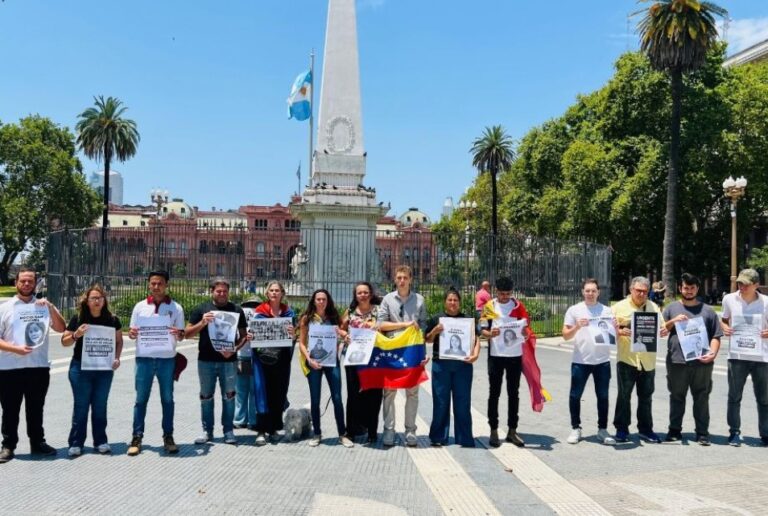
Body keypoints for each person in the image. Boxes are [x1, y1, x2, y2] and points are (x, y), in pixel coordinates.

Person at [0, 266, 66, 464]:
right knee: (10, 409)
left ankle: (37, 442)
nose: (27, 284)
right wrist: (14, 349)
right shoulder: (4, 308)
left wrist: (51, 307)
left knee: (36, 408)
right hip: (9, 367)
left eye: (30, 281)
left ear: (36, 283)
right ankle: (8, 445)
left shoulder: (43, 306)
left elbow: (61, 328)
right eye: (23, 281)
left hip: (37, 366)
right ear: (16, 283)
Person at [126, 270, 185, 456]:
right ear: (148, 285)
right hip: (144, 358)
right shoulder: (139, 307)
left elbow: (182, 335)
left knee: (167, 399)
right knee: (140, 399)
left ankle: (168, 436)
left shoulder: (176, 308)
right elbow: (131, 332)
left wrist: (179, 333)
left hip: (166, 359)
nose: (156, 287)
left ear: (166, 285)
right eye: (153, 283)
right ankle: (137, 437)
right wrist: (132, 334)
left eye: (160, 283)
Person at [61, 285, 123, 457]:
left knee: (100, 405)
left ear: (104, 300)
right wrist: (76, 335)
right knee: (81, 406)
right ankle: (76, 442)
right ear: (86, 301)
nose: (97, 301)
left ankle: (101, 441)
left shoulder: (112, 319)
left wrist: (117, 357)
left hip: (103, 369)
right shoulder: (78, 318)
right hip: (80, 368)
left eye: (100, 298)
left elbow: (119, 341)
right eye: (93, 298)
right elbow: (64, 341)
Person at [185, 278, 248, 446]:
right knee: (206, 396)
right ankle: (207, 430)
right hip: (206, 360)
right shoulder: (202, 309)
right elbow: (187, 333)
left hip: (229, 361)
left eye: (225, 291)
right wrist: (202, 322)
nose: (222, 294)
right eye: (218, 291)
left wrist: (233, 349)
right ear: (212, 291)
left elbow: (244, 336)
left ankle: (228, 430)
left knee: (229, 396)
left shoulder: (236, 310)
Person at [611, 276, 668, 444]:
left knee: (646, 397)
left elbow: (662, 328)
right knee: (624, 396)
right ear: (631, 289)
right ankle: (622, 429)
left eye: (644, 291)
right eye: (638, 291)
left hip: (648, 361)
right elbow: (607, 331)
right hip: (627, 359)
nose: (641, 294)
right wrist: (619, 331)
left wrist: (663, 331)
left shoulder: (654, 307)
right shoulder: (618, 308)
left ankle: (645, 429)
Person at [561, 278, 617, 445]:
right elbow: (565, 335)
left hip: (602, 361)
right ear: (582, 292)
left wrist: (616, 327)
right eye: (587, 291)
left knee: (603, 396)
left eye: (593, 291)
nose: (590, 294)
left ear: (598, 292)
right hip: (581, 360)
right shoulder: (574, 310)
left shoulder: (607, 311)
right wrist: (577, 327)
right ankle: (575, 428)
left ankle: (602, 429)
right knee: (575, 395)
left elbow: (615, 336)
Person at [377, 265, 428, 447]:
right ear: (395, 279)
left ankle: (410, 430)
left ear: (410, 279)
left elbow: (423, 327)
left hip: (412, 351)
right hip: (392, 350)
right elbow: (380, 324)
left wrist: (423, 353)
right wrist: (405, 325)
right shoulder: (388, 300)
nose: (401, 280)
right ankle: (389, 430)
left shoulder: (420, 300)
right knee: (389, 391)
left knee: (412, 392)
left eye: (405, 277)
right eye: (398, 277)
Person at [425, 288, 480, 447]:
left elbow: (476, 340)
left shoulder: (468, 320)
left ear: (460, 302)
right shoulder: (437, 319)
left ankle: (464, 438)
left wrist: (475, 355)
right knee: (441, 401)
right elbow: (427, 339)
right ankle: (438, 437)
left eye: (455, 300)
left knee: (463, 402)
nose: (452, 303)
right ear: (445, 302)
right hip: (441, 365)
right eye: (450, 300)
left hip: (463, 365)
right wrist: (435, 330)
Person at [480, 276, 530, 448]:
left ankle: (512, 430)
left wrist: (525, 333)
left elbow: (526, 329)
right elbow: (481, 328)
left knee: (513, 393)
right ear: (496, 291)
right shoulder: (490, 306)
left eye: (508, 293)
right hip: (496, 355)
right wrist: (488, 334)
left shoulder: (518, 305)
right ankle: (493, 429)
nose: (505, 297)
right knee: (494, 392)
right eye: (502, 294)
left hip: (514, 356)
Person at [720, 268, 768, 447]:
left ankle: (765, 433)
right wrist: (724, 327)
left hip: (762, 357)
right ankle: (734, 432)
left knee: (764, 399)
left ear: (756, 284)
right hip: (737, 355)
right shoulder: (729, 299)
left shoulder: (766, 302)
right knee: (734, 396)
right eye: (739, 283)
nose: (741, 286)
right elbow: (724, 319)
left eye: (746, 284)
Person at [298, 289, 352, 448]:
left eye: (324, 299)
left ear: (328, 301)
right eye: (318, 299)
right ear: (313, 301)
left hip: (331, 361)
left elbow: (341, 331)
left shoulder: (334, 317)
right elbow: (301, 343)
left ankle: (342, 434)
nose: (321, 302)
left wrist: (344, 335)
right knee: (315, 400)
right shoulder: (307, 319)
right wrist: (309, 359)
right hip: (314, 362)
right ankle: (317, 434)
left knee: (337, 398)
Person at [251, 281, 295, 446]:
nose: (275, 293)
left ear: (282, 293)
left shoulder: (288, 312)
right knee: (263, 391)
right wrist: (251, 336)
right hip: (262, 359)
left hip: (281, 359)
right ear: (267, 293)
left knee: (279, 391)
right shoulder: (259, 312)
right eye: (272, 290)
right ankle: (261, 430)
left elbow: (293, 337)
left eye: (277, 290)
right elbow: (252, 333)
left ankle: (274, 428)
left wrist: (292, 334)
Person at [341, 281, 384, 445]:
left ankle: (372, 431)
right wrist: (345, 335)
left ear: (371, 294)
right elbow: (340, 327)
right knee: (353, 395)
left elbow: (385, 327)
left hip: (374, 359)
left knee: (374, 395)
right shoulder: (350, 312)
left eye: (366, 292)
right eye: (360, 293)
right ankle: (351, 431)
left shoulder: (379, 311)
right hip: (354, 358)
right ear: (355, 295)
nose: (363, 295)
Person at [234, 303, 259, 430]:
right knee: (249, 390)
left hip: (247, 355)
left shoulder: (239, 313)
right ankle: (250, 420)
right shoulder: (261, 313)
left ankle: (240, 419)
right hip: (245, 355)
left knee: (242, 390)